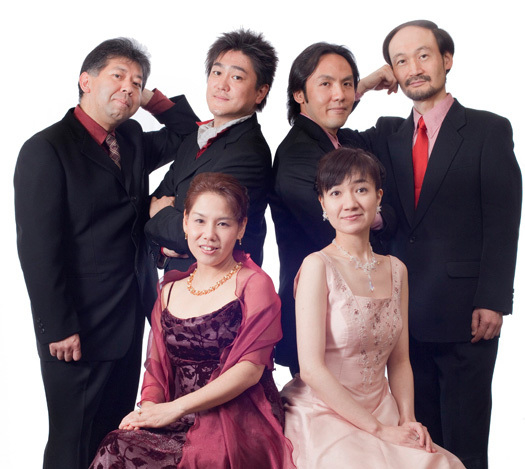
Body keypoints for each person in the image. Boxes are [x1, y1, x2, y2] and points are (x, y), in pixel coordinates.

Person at [14, 37, 199, 469]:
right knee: (73, 440)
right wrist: (58, 326)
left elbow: (189, 134)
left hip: (129, 314)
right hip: (77, 328)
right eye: (118, 76)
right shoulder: (47, 149)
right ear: (85, 81)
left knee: (114, 436)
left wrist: (148, 98)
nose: (128, 88)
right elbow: (38, 247)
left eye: (137, 82)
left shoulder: (129, 136)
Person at [355, 20, 522, 468]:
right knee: (419, 441)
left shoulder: (488, 129)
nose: (413, 68)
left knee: (466, 441)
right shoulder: (386, 133)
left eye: (423, 55)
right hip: (403, 312)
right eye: (401, 61)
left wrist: (493, 299)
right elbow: (326, 123)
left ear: (447, 60)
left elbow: (503, 218)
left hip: (466, 313)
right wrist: (366, 84)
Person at [90, 172, 295, 468]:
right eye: (199, 221)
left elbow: (249, 371)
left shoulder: (254, 284)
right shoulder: (169, 290)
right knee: (117, 444)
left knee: (206, 458)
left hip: (237, 417)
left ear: (241, 228)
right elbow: (156, 370)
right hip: (175, 416)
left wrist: (174, 409)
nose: (208, 235)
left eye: (223, 224)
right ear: (185, 222)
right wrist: (149, 413)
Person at [281, 147, 465, 469]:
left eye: (361, 189)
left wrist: (407, 420)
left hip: (384, 408)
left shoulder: (396, 269)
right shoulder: (317, 266)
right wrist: (378, 430)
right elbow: (310, 369)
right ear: (323, 203)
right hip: (324, 411)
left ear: (378, 197)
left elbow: (400, 360)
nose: (349, 203)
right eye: (336, 193)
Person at [270, 42, 397, 373]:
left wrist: (363, 85)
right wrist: (385, 215)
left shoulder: (340, 139)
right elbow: (343, 229)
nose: (339, 95)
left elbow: (335, 106)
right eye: (325, 84)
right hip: (320, 318)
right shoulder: (297, 153)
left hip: (351, 314)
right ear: (299, 94)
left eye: (347, 84)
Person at [145, 28, 277, 272]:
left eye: (236, 77)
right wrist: (162, 240)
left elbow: (199, 234)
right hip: (181, 285)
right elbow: (156, 201)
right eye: (217, 72)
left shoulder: (248, 153)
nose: (222, 85)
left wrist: (159, 214)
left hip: (223, 287)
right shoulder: (196, 138)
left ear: (260, 92)